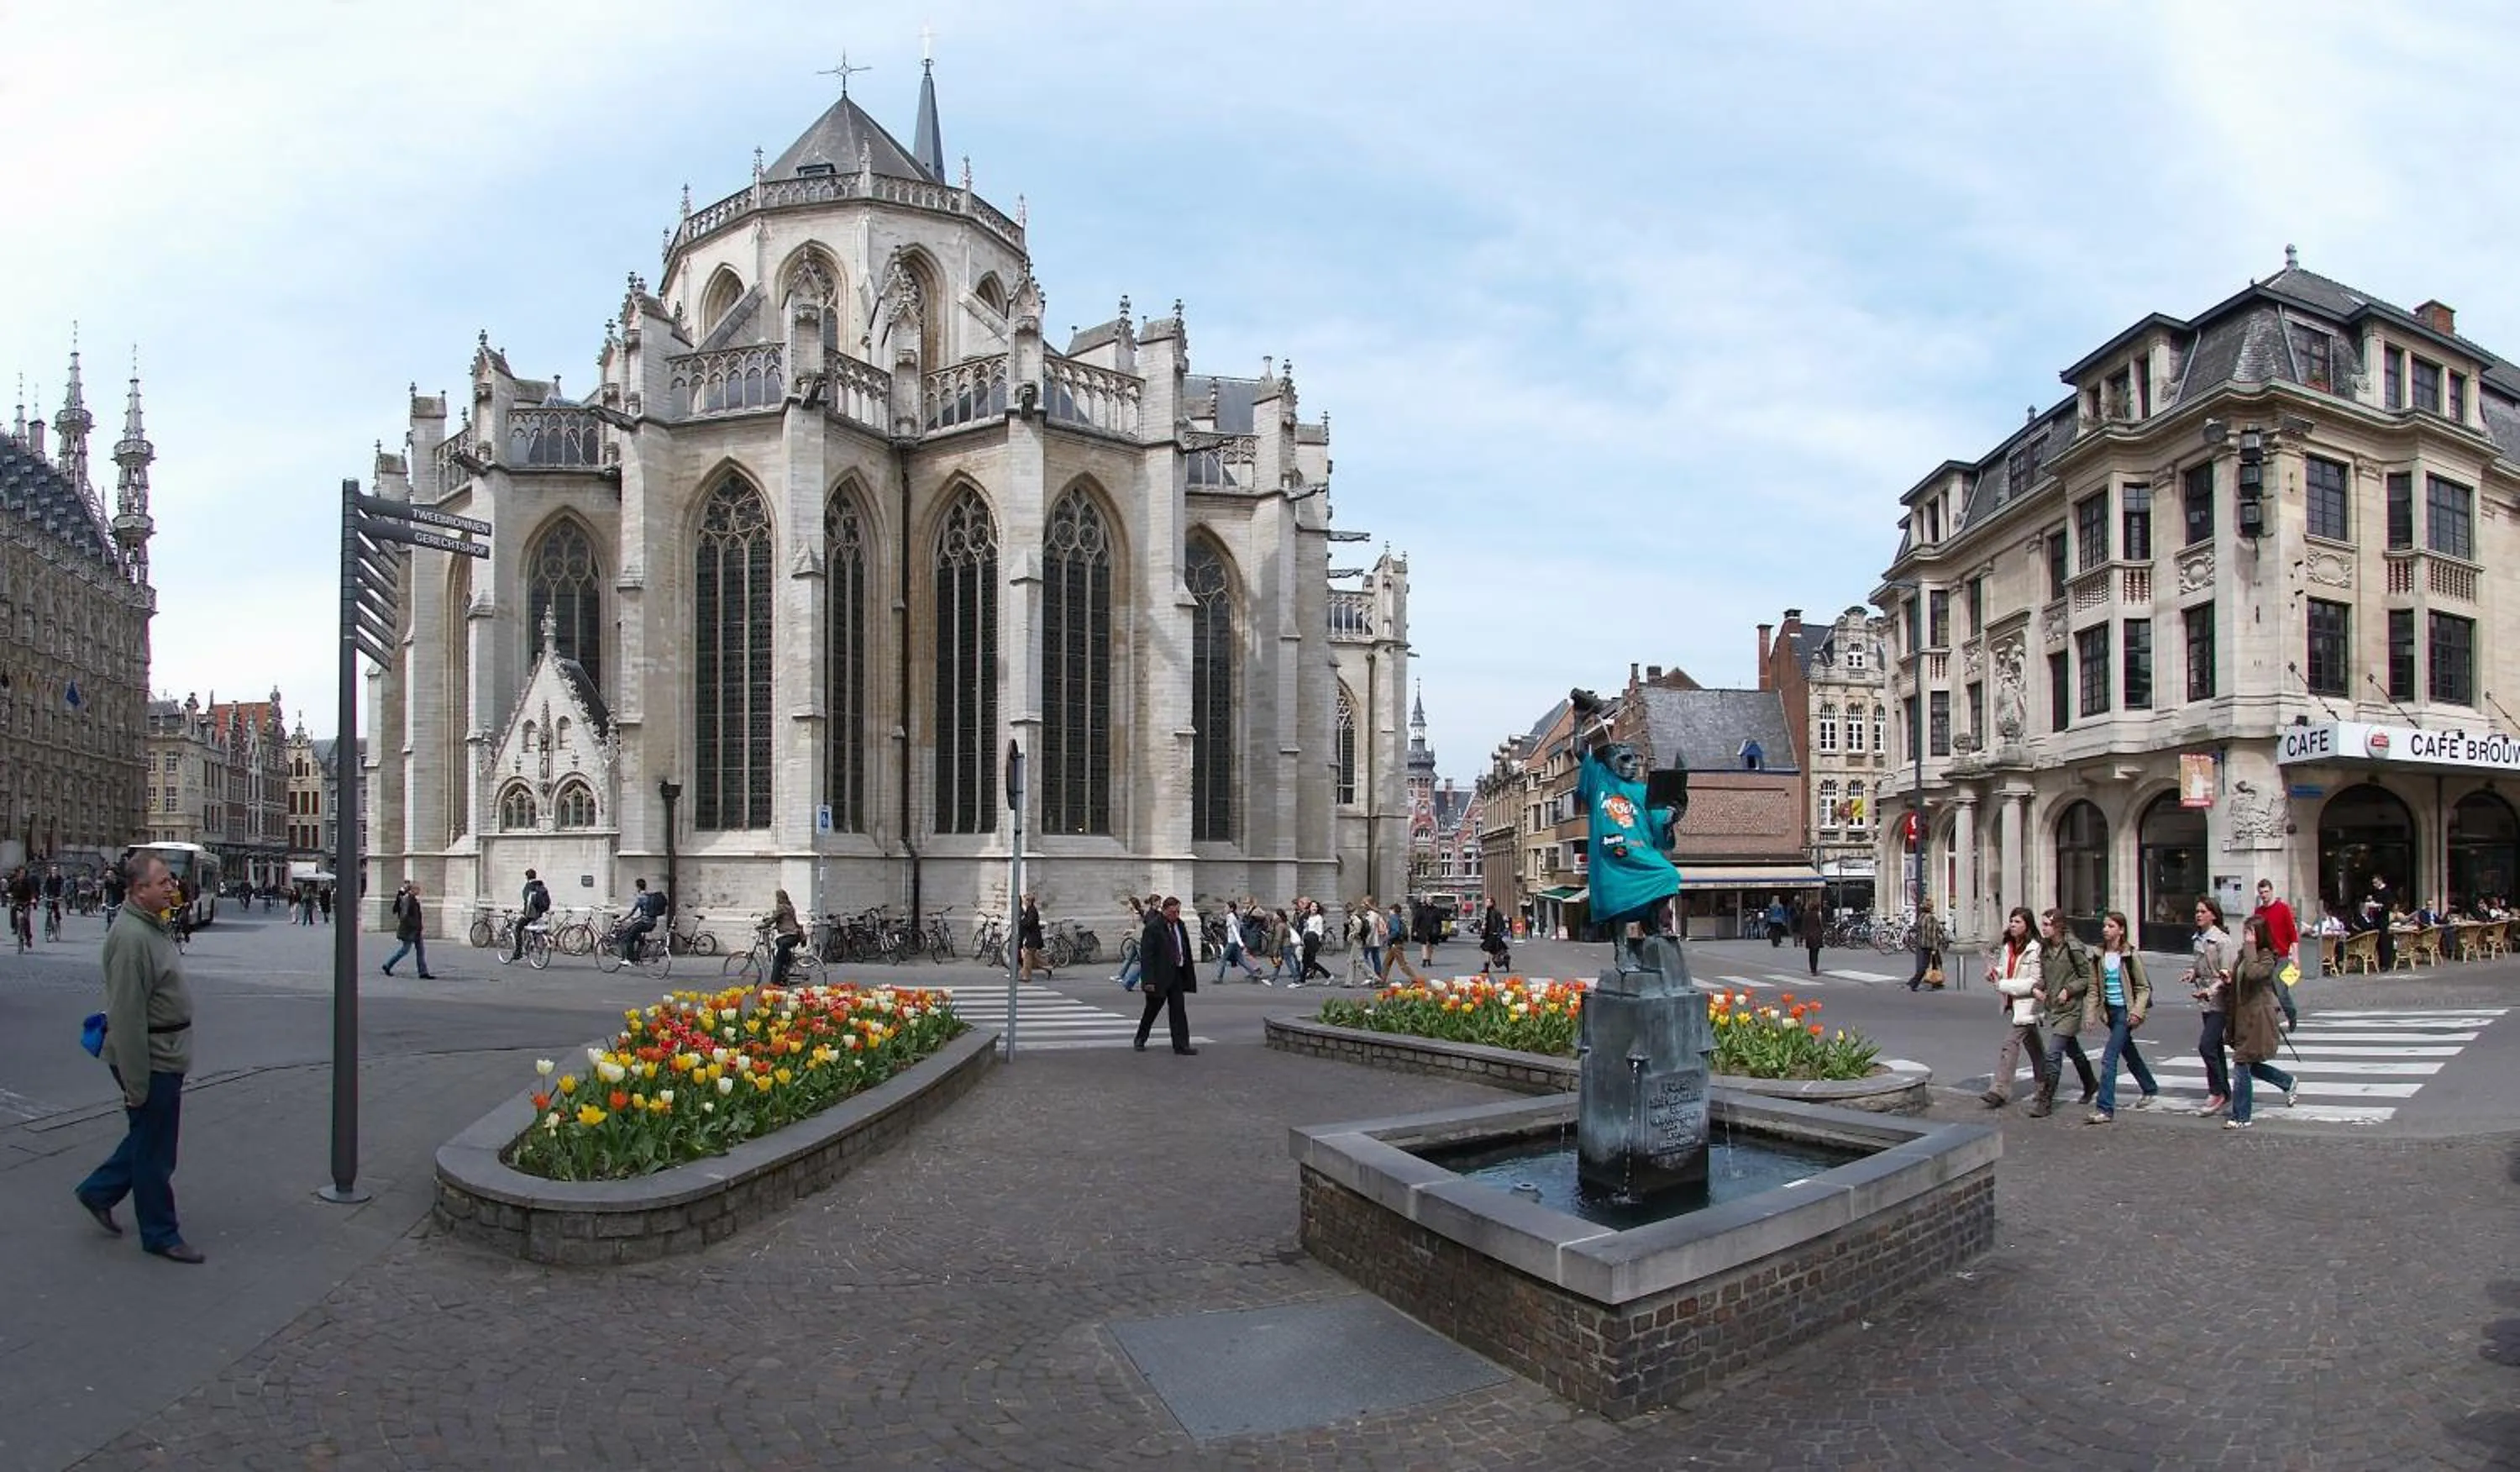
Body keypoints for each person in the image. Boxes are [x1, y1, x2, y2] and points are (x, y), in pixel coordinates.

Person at [74, 851, 205, 1262]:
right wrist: (137, 1083)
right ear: (138, 890)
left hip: (165, 1051)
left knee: (148, 1138)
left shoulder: (151, 924)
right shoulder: (131, 939)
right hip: (151, 1056)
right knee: (156, 1151)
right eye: (163, 881)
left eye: (170, 880)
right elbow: (128, 1017)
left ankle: (98, 1191)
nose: (171, 887)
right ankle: (160, 1233)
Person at [2223, 913, 2299, 1129]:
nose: (2246, 937)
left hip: (2258, 1018)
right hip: (2242, 1015)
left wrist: (2249, 949)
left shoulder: (2267, 956)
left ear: (2260, 935)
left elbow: (2254, 974)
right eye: (2245, 932)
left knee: (2242, 1062)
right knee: (2249, 1064)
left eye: (2250, 933)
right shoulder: (2244, 954)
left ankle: (2242, 1116)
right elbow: (2241, 977)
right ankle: (2286, 1082)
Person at [2085, 911, 2160, 1123]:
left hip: (2125, 1012)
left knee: (2109, 1058)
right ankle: (2150, 1086)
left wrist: (2137, 1011)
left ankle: (2105, 1108)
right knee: (2128, 1051)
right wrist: (2091, 1014)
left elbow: (2144, 987)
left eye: (2110, 926)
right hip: (2110, 1012)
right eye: (2104, 926)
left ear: (2121, 930)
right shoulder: (2098, 955)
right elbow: (2093, 988)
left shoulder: (2130, 956)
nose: (2105, 929)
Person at [2028, 909, 2102, 1117]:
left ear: (2059, 926)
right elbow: (2045, 975)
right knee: (2072, 1049)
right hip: (2054, 1007)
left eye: (2047, 924)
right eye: (2042, 924)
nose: (2043, 928)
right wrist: (2039, 987)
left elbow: (2088, 977)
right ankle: (2090, 1083)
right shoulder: (2045, 948)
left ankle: (2045, 1101)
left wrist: (2068, 990)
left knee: (2053, 1053)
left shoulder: (2073, 947)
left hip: (2071, 1008)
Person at [1981, 906, 2049, 1109]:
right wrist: (1996, 973)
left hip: (2028, 1005)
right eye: (2011, 921)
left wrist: (2003, 985)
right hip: (2013, 1002)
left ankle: (1999, 1090)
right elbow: (2007, 969)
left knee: (2010, 1044)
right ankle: (2045, 1084)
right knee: (2035, 1049)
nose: (2012, 924)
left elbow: (2035, 981)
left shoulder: (2035, 949)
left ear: (2027, 925)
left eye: (2017, 921)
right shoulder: (2008, 946)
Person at [2186, 896, 2234, 1114]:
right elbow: (2200, 965)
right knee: (2215, 1048)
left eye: (2203, 911)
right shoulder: (2197, 939)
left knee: (2206, 1045)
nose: (2198, 915)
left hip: (2220, 1001)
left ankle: (2218, 1090)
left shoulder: (2223, 941)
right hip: (2204, 1002)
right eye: (2197, 911)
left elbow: (2227, 975)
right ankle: (2223, 1091)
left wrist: (2210, 990)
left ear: (2213, 915)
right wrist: (2193, 972)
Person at [1131, 895, 1199, 1055]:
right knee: (1152, 1010)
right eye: (1173, 912)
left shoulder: (1180, 925)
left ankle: (1181, 1045)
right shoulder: (1153, 928)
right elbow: (1147, 956)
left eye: (1178, 911)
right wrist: (1148, 980)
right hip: (1159, 976)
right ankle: (1141, 1037)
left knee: (1178, 1010)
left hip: (1176, 973)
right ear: (1164, 911)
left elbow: (1184, 947)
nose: (1176, 915)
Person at [2251, 878, 2300, 1028]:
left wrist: (2296, 957)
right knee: (2264, 988)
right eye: (2261, 893)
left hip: (2282, 955)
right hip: (2265, 956)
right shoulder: (2258, 912)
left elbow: (2293, 935)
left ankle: (2291, 1014)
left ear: (2271, 891)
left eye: (2266, 892)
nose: (2264, 895)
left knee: (2279, 987)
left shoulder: (2283, 909)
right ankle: (2269, 1018)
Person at [383, 881, 434, 978]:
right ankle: (388, 965)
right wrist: (414, 924)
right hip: (409, 930)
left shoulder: (413, 900)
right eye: (417, 889)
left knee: (420, 951)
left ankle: (423, 972)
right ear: (412, 889)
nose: (419, 891)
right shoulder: (407, 900)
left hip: (416, 930)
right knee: (404, 950)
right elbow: (404, 916)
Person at [1212, 901, 1265, 982]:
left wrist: (1241, 943)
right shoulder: (1234, 916)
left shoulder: (1230, 917)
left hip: (1232, 942)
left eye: (1226, 907)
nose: (1225, 909)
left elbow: (1235, 931)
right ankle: (1254, 974)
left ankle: (1219, 978)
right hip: (1235, 942)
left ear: (1231, 909)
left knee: (1223, 959)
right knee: (1241, 960)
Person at [510, 868, 552, 963]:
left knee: (518, 928)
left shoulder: (529, 886)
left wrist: (525, 912)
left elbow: (527, 901)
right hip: (540, 914)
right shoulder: (541, 886)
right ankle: (534, 944)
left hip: (530, 915)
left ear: (527, 877)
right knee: (535, 929)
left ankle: (518, 952)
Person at [619, 878, 665, 962]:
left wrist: (622, 920)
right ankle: (638, 956)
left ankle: (630, 960)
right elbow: (645, 912)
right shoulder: (649, 896)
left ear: (638, 887)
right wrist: (636, 918)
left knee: (629, 938)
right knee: (638, 937)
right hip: (653, 923)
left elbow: (632, 912)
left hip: (645, 923)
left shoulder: (641, 898)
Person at [767, 887, 803, 985]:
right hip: (796, 935)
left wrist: (762, 925)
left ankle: (775, 982)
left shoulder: (781, 907)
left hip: (791, 935)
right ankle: (787, 963)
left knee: (778, 959)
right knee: (778, 941)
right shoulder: (790, 907)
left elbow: (773, 919)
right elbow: (787, 921)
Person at [1907, 899, 1945, 991]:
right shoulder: (1931, 918)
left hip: (1923, 944)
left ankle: (1936, 982)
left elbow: (1918, 929)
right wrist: (1935, 946)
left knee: (1936, 963)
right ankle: (1914, 982)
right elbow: (1932, 933)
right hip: (1931, 945)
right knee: (1926, 965)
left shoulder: (1921, 917)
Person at [1297, 900, 1332, 984]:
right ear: (1309, 907)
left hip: (1313, 941)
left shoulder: (1319, 918)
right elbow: (1304, 929)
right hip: (1305, 940)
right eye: (1312, 906)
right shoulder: (1307, 917)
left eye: (1316, 906)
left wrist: (1318, 941)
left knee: (1307, 962)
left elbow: (1320, 931)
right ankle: (1329, 976)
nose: (1314, 908)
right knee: (1309, 962)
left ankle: (1302, 981)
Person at [1017, 893, 1047, 983]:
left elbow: (1029, 923)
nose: (1024, 902)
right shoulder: (1030, 910)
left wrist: (1022, 922)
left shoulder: (1032, 911)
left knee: (1027, 956)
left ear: (1029, 901)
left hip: (1032, 937)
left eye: (1026, 900)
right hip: (1031, 937)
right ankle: (1047, 967)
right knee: (1031, 958)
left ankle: (1026, 976)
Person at [1796, 896, 1826, 977]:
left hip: (1809, 936)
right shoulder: (1818, 914)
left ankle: (1812, 968)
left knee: (1811, 952)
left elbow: (1803, 927)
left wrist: (1801, 939)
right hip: (1817, 935)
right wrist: (1823, 932)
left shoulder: (1805, 914)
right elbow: (1822, 925)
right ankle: (1814, 969)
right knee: (1816, 953)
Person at [1479, 900, 1511, 975]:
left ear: (1492, 903)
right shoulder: (1489, 912)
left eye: (1488, 902)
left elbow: (1499, 924)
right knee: (1495, 951)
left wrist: (1497, 932)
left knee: (1487, 950)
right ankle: (1505, 962)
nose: (1486, 903)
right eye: (1486, 902)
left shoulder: (1494, 912)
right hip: (1491, 935)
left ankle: (1486, 967)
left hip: (1493, 935)